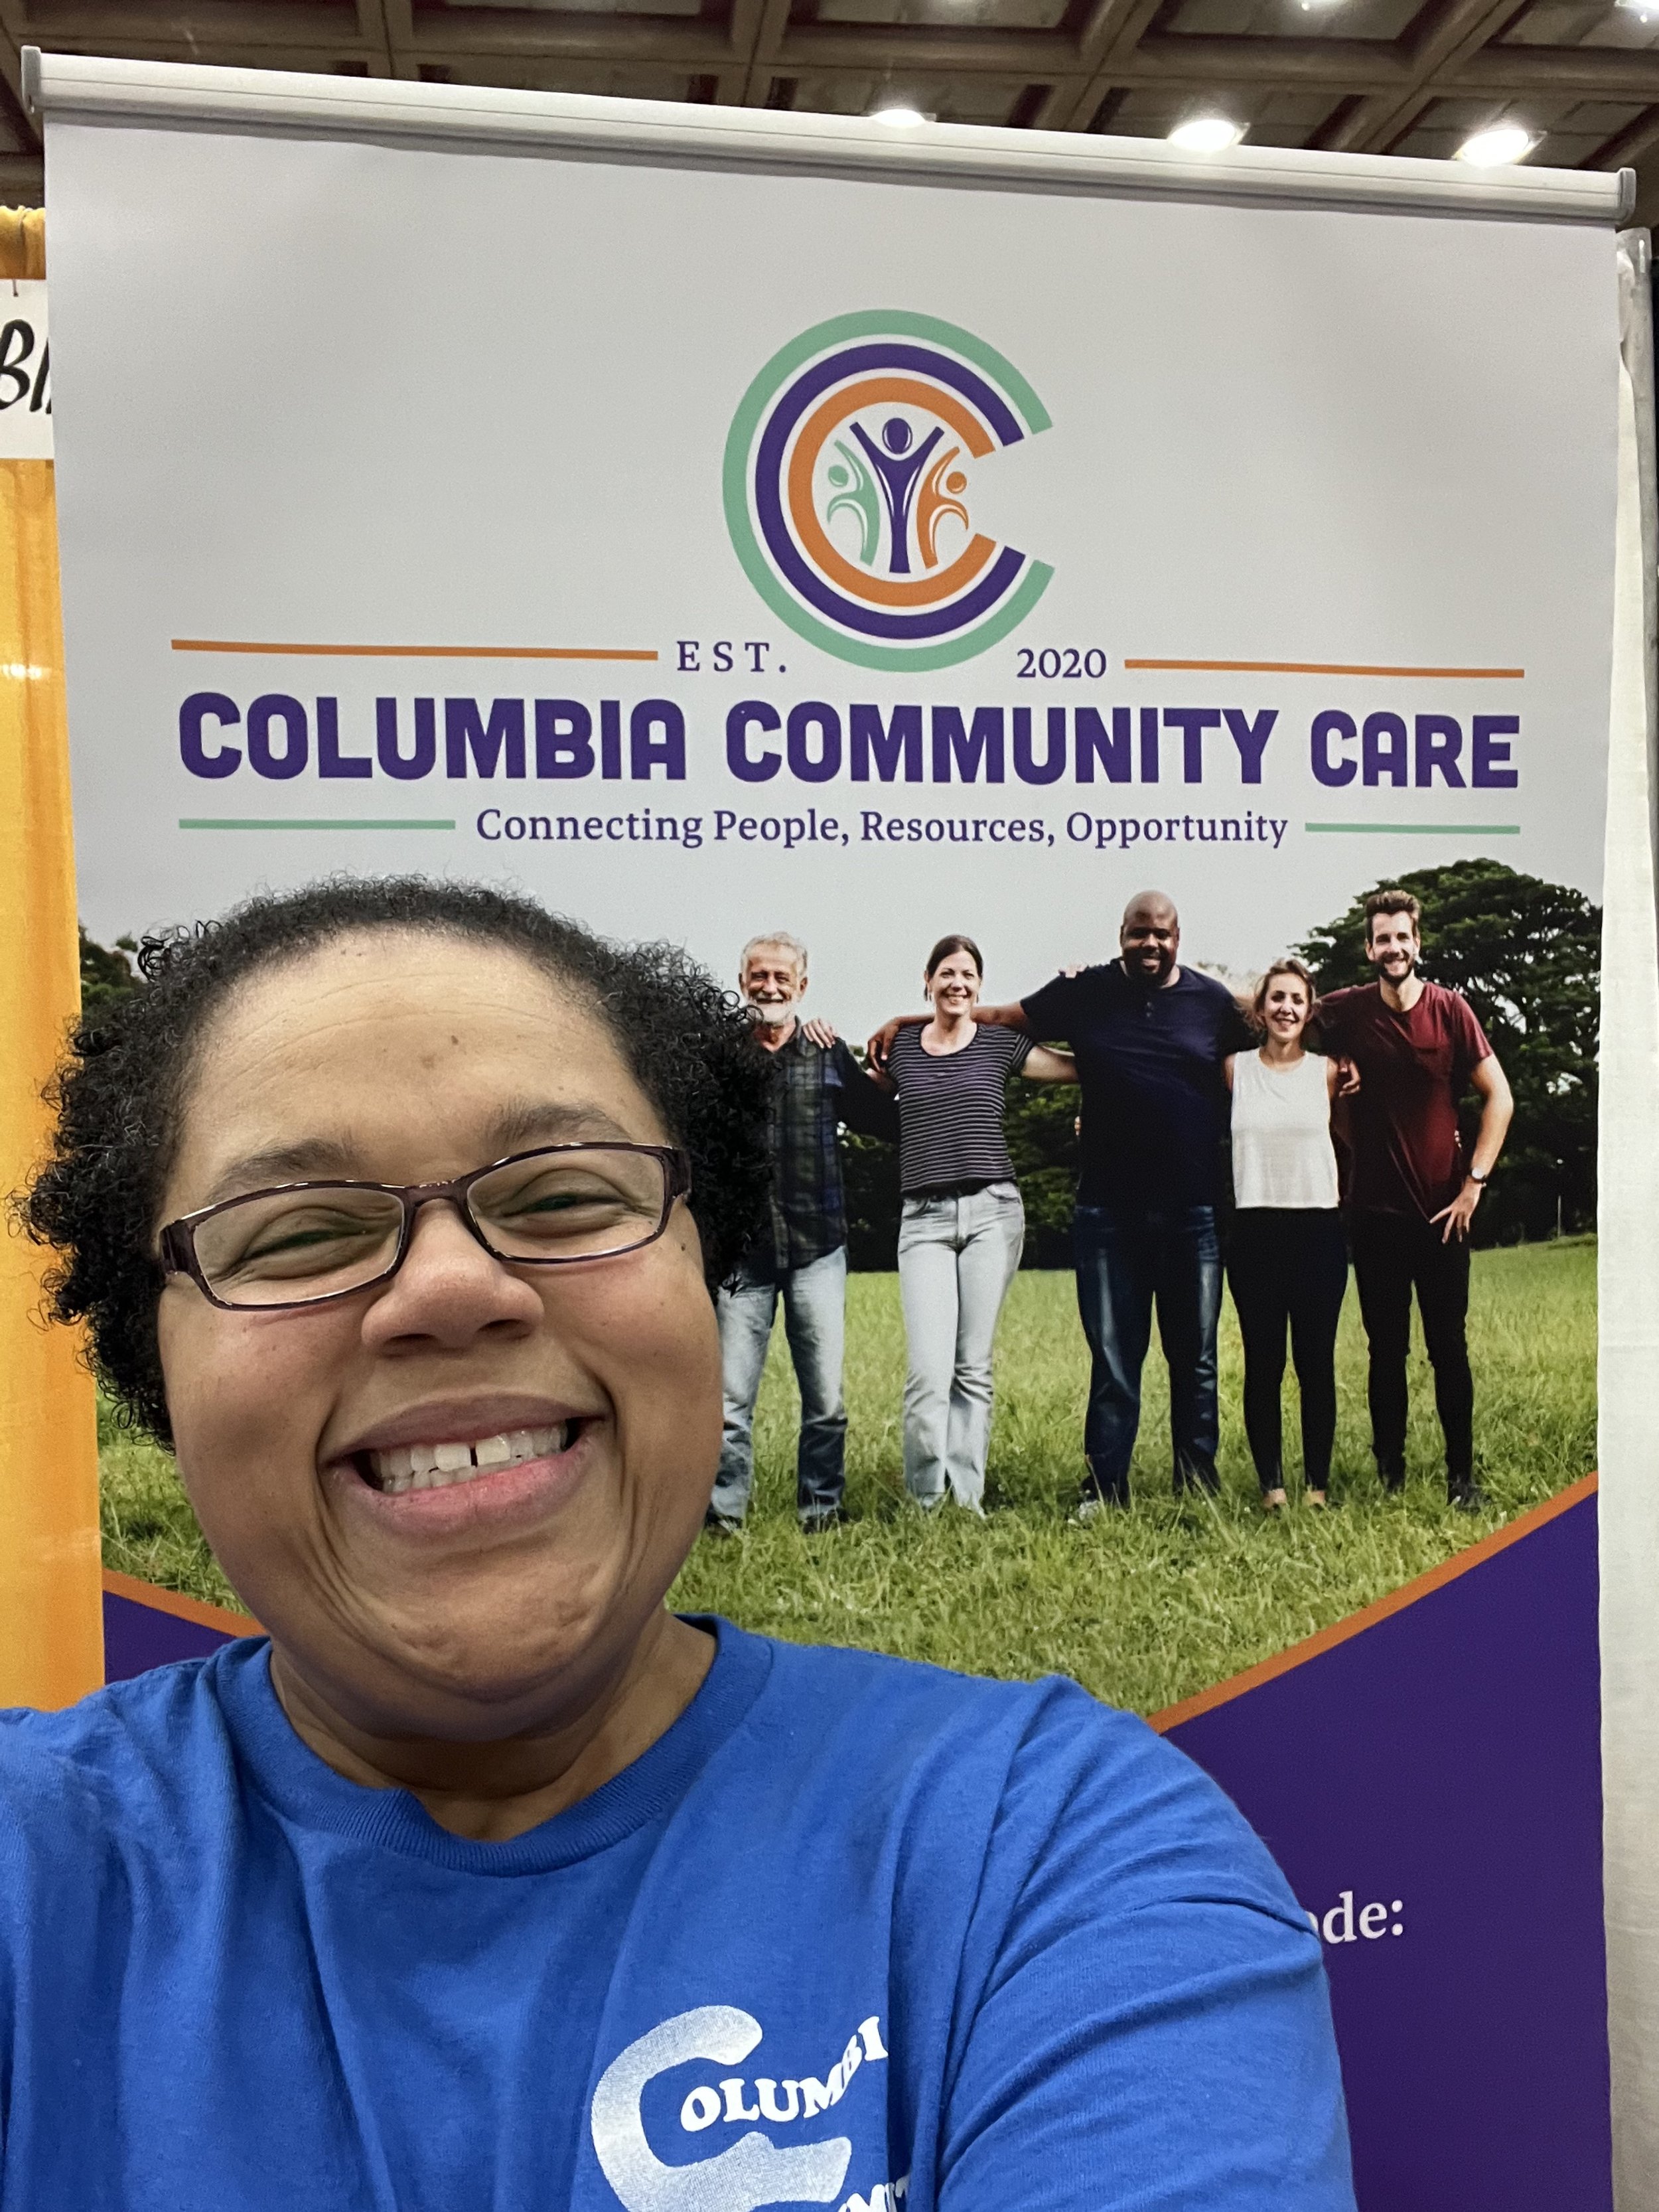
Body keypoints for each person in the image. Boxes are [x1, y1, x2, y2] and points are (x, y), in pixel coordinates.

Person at [8, 876, 1356, 2209]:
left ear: (700, 1264)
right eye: (300, 1230)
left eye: (563, 1195)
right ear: (148, 1355)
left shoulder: (1052, 1853)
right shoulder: (35, 1866)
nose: (453, 1286)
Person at [872, 891, 1253, 1513]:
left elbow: (1280, 1030)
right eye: (1138, 933)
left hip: (1194, 1209)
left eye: (1161, 934)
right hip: (1107, 1210)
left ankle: (1197, 1487)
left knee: (1197, 1359)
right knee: (1114, 1358)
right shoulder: (1084, 992)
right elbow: (995, 1016)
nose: (1150, 944)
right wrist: (908, 1021)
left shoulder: (1212, 1002)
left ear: (1178, 937)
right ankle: (1104, 1489)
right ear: (1121, 934)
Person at [1317, 888, 1514, 1511]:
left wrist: (1474, 1183)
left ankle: (1462, 1478)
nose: (1393, 948)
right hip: (1374, 1214)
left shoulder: (1451, 1010)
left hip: (1443, 1214)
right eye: (1383, 938)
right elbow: (1274, 1012)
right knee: (1386, 1352)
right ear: (1369, 948)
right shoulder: (1346, 1011)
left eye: (1402, 937)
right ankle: (1390, 1475)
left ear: (1417, 943)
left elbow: (1500, 1096)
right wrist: (1336, 1071)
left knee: (1448, 1347)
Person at [709, 932, 897, 1535]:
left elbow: (883, 1119)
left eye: (781, 978)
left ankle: (822, 1509)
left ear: (802, 985)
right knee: (729, 1403)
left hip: (818, 1246)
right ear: (743, 982)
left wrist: (902, 1066)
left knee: (825, 1398)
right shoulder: (721, 1058)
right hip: (743, 1253)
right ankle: (723, 1515)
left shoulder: (826, 1051)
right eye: (759, 976)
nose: (770, 987)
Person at [884, 933, 1076, 1513]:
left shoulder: (999, 1044)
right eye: (947, 972)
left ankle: (966, 1498)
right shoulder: (901, 1048)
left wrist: (1081, 999)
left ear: (979, 985)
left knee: (972, 1366)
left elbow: (1075, 1069)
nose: (957, 983)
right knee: (928, 1370)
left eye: (968, 974)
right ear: (928, 980)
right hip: (923, 1220)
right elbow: (861, 1097)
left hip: (993, 1213)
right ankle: (925, 1499)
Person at [1224, 958, 1346, 1513]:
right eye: (1276, 998)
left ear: (1309, 1009)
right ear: (1259, 1008)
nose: (1286, 1009)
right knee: (1264, 1364)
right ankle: (1272, 1487)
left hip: (1317, 1226)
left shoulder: (1331, 1072)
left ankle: (1317, 1487)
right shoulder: (1234, 1070)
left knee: (1315, 1363)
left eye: (1297, 999)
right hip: (1255, 1229)